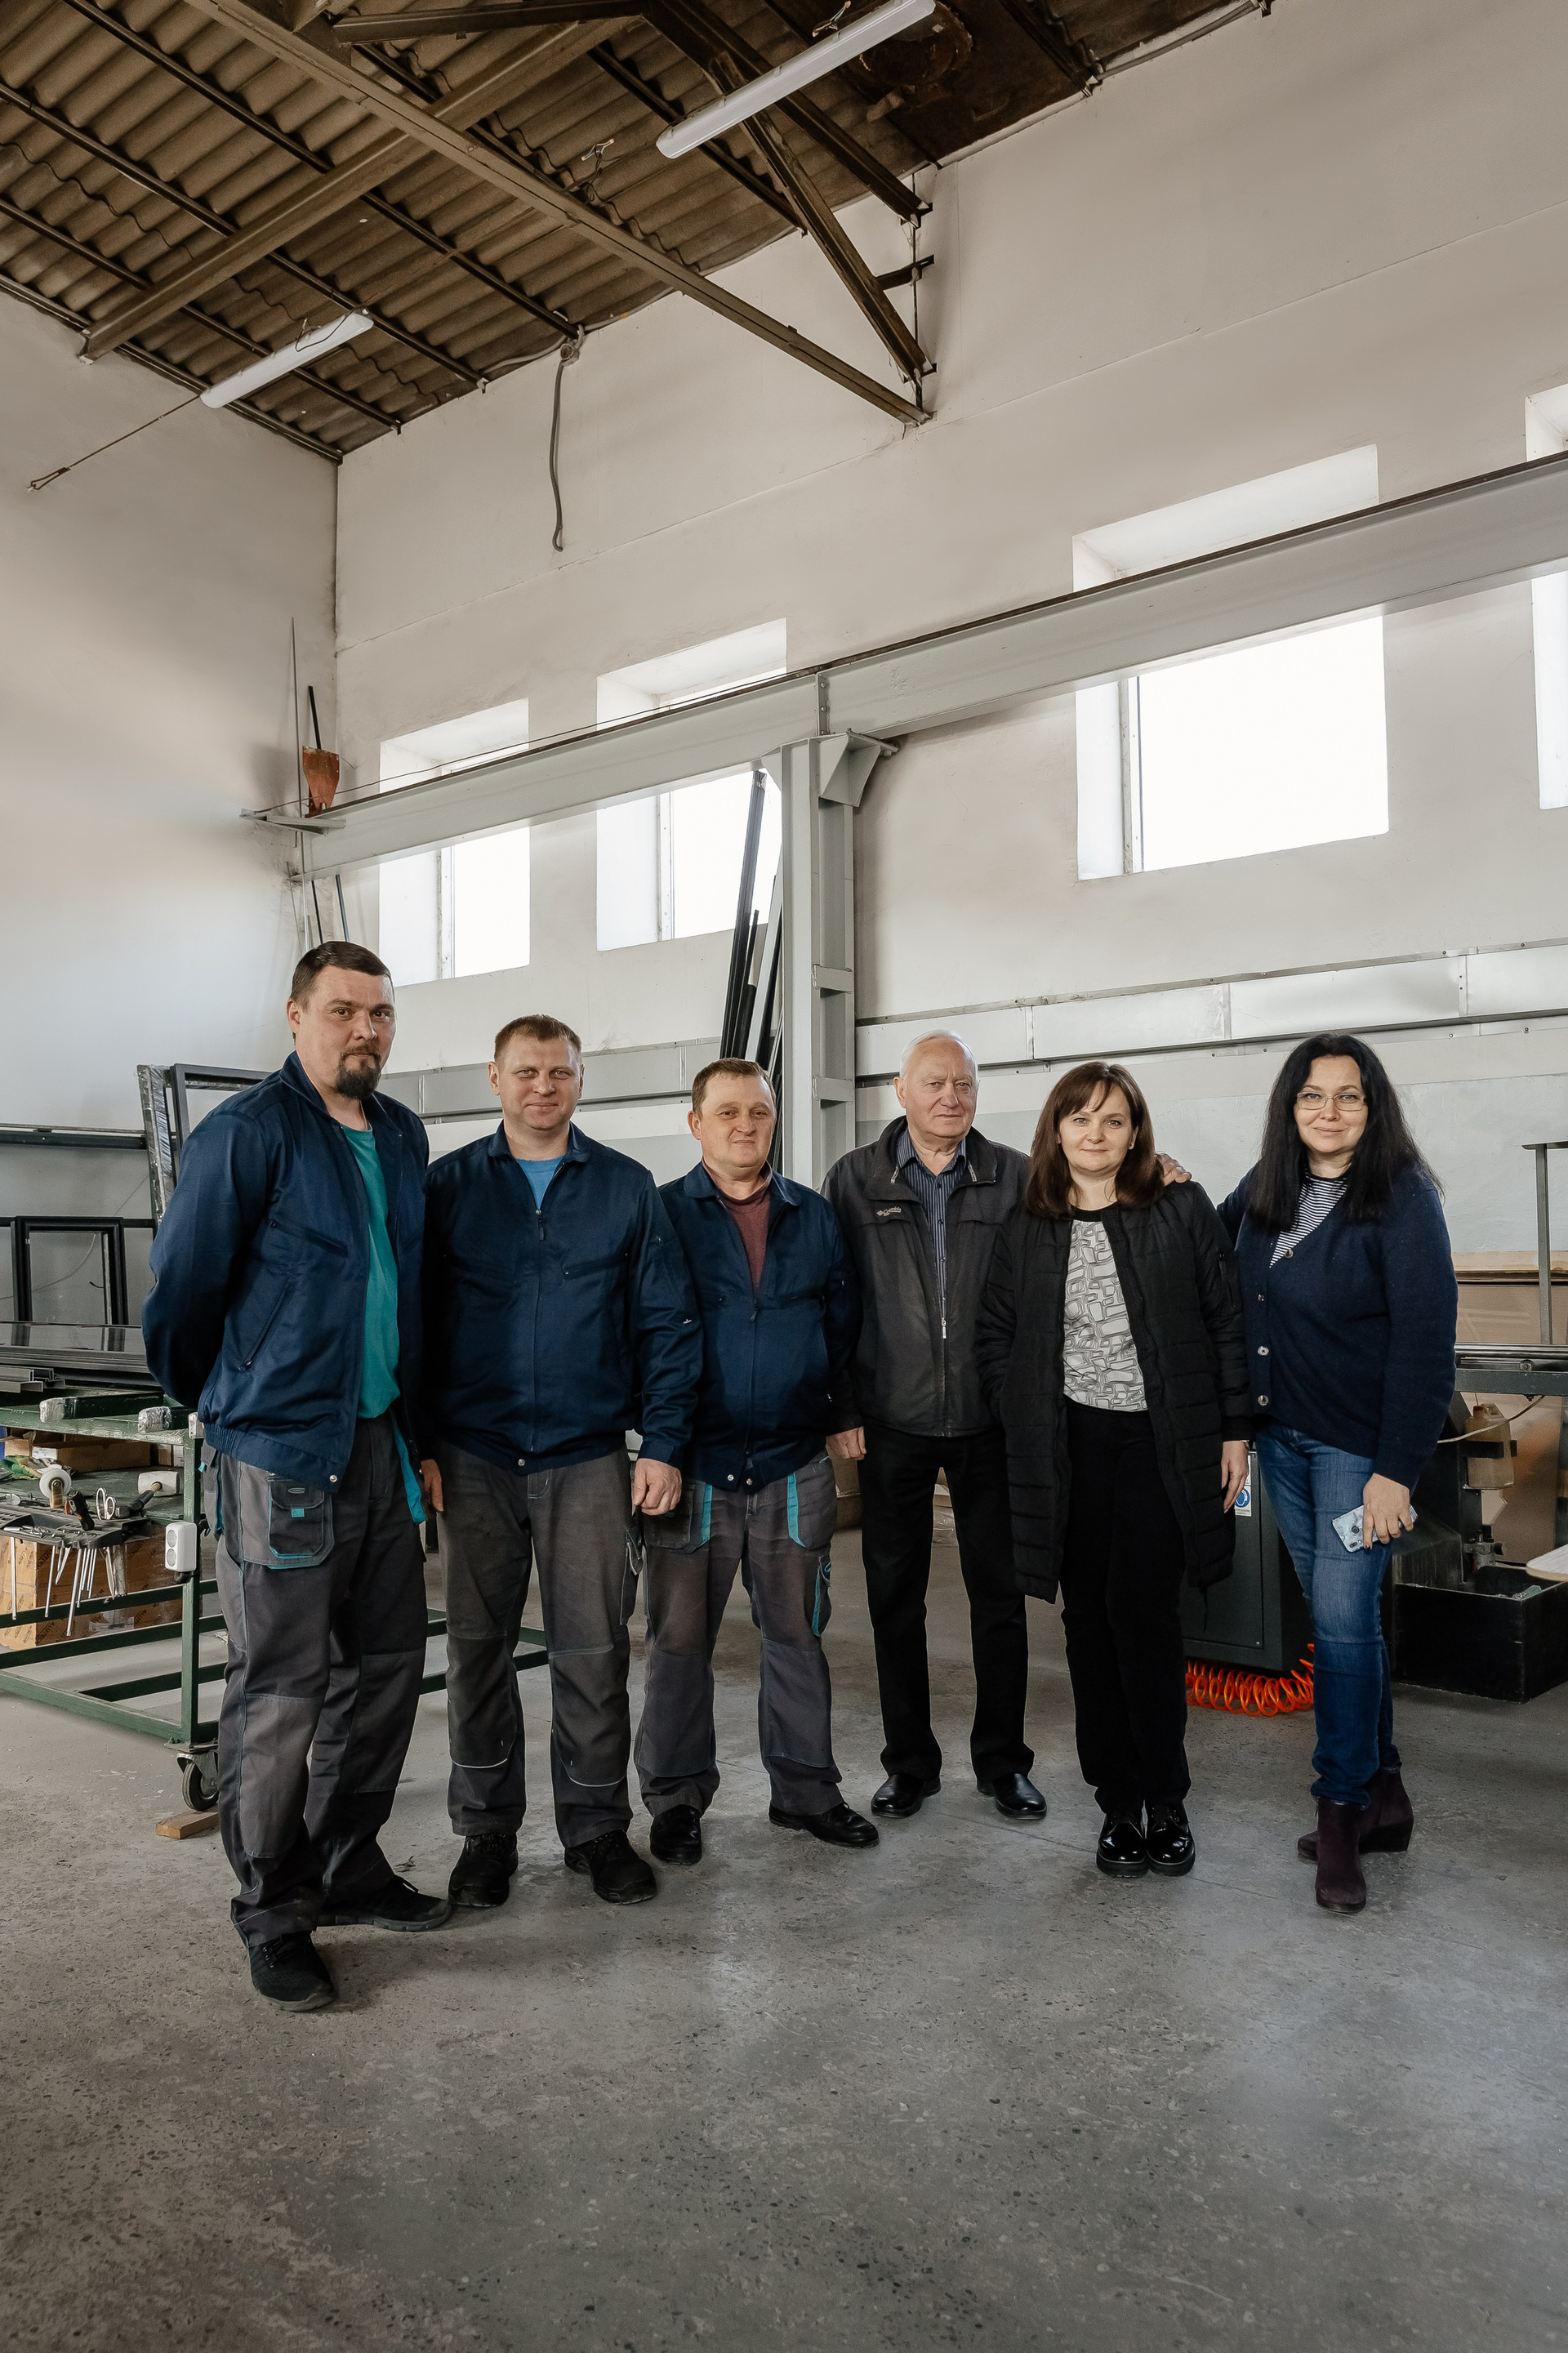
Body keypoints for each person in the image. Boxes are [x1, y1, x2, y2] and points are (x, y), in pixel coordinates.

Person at [143, 943, 447, 2014]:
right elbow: (182, 1293)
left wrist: (419, 1431)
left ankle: (348, 1863)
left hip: (381, 1443)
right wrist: (234, 1402)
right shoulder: (248, 1133)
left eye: (381, 1013)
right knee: (281, 1691)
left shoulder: (401, 1133)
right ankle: (274, 1912)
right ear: (296, 1015)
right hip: (279, 1453)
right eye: (344, 1010)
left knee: (386, 1671)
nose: (365, 1029)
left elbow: (409, 1290)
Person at [420, 1015, 702, 1910]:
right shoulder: (448, 1187)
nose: (543, 1086)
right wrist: (421, 1443)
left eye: (560, 1072)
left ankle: (596, 1828)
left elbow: (665, 1323)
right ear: (494, 1078)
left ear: (582, 1080)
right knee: (477, 1652)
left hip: (586, 1457)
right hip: (474, 1455)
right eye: (527, 1071)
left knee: (593, 1650)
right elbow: (416, 1325)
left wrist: (662, 1443)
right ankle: (486, 1833)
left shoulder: (625, 1188)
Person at [976, 1063, 1250, 1878]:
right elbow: (996, 1331)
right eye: (1081, 1118)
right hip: (1069, 1448)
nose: (1096, 1133)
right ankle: (1117, 1803)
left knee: (1146, 1616)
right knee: (1088, 1623)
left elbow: (1225, 1320)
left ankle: (1167, 1798)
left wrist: (1235, 1431)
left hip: (1160, 1444)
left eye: (1114, 1119)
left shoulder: (1180, 1208)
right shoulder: (1029, 1222)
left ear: (1136, 1134)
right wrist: (1019, 1405)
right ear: (1056, 1131)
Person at [1216, 1032, 1456, 1914]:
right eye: (1312, 1096)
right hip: (1280, 1439)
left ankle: (1343, 1809)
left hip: (1357, 1452)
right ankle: (1385, 1792)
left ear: (1372, 1105)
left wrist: (1397, 1470)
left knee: (1345, 1629)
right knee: (1341, 1622)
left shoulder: (1403, 1196)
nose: (1329, 1111)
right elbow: (1209, 1246)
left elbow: (1426, 1342)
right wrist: (1161, 1182)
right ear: (1290, 1108)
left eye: (1348, 1096)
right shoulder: (1268, 1185)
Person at [638, 1058, 877, 1858]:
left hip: (791, 1461)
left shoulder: (813, 1215)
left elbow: (841, 1322)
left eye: (760, 1112)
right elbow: (639, 1332)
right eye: (728, 1111)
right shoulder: (663, 1214)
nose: (745, 1125)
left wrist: (841, 1411)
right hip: (693, 1466)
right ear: (695, 1123)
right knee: (679, 1644)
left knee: (798, 1635)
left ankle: (806, 1793)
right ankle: (675, 1801)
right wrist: (656, 1444)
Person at [822, 1033, 1046, 1822]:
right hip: (892, 1418)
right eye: (934, 1083)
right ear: (901, 1089)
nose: (951, 1096)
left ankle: (1003, 1763)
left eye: (964, 1084)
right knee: (895, 1599)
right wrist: (842, 1406)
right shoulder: (854, 1180)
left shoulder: (1017, 1175)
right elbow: (834, 1299)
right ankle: (909, 1763)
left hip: (990, 1420)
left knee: (1000, 1599)